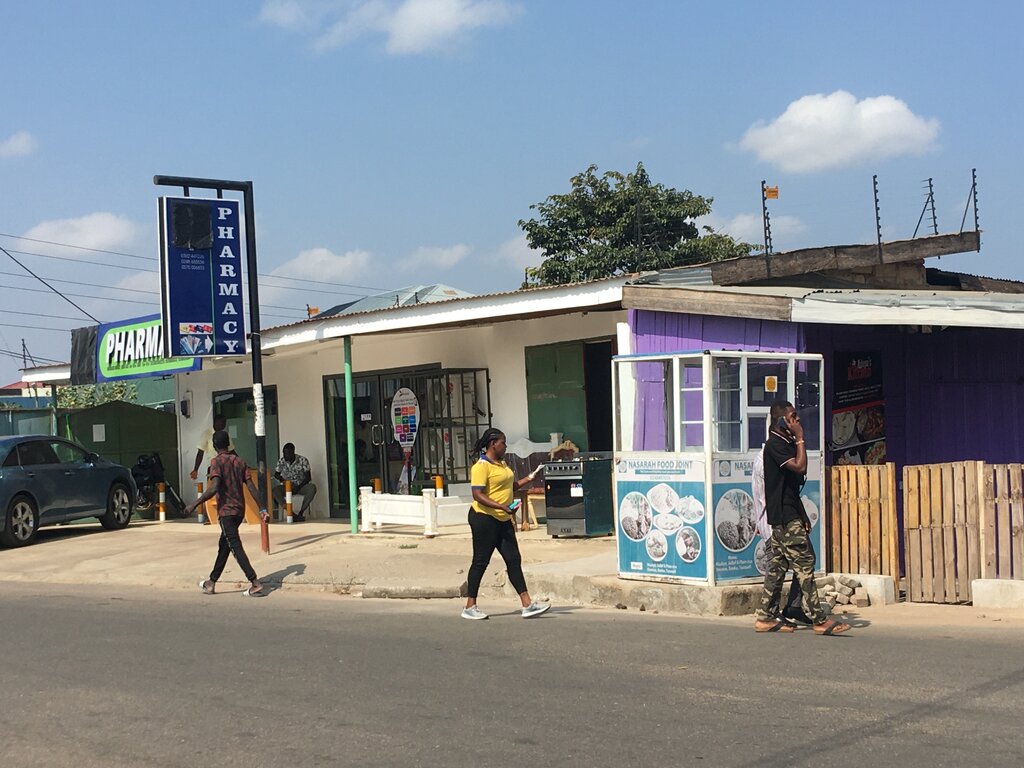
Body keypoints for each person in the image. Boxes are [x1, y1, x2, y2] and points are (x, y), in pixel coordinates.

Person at [753, 400, 850, 635]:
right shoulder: (776, 445)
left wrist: (803, 513)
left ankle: (765, 617)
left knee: (777, 567)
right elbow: (800, 467)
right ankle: (818, 619)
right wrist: (800, 437)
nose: (797, 421)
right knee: (805, 564)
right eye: (793, 417)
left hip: (788, 513)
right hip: (783, 517)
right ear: (781, 421)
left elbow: (790, 487)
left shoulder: (783, 443)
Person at [462, 428, 549, 620]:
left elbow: (510, 486)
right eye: (503, 442)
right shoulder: (481, 466)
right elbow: (478, 494)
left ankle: (527, 604)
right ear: (493, 443)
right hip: (484, 518)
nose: (505, 446)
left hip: (503, 518)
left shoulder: (501, 464)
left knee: (513, 559)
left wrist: (528, 479)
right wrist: (502, 506)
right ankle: (470, 606)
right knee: (480, 562)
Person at [187, 430, 268, 597]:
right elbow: (251, 487)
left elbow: (215, 486)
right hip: (239, 510)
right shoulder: (240, 461)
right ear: (229, 444)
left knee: (235, 546)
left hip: (227, 511)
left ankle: (255, 582)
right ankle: (211, 582)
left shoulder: (217, 462)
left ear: (215, 446)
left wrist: (195, 503)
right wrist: (262, 508)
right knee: (224, 546)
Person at [752, 447, 812, 625]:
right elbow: (774, 496)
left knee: (805, 559)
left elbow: (790, 491)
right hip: (776, 522)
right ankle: (769, 613)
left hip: (786, 520)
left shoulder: (779, 456)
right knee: (776, 567)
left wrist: (802, 515)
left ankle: (793, 606)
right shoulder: (769, 459)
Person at [272, 443, 317, 522]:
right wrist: (281, 479)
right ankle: (291, 513)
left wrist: (298, 487)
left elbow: (308, 477)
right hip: (287, 486)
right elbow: (276, 474)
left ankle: (301, 512)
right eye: (284, 453)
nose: (285, 455)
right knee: (275, 491)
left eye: (287, 453)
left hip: (301, 485)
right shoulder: (281, 461)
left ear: (293, 452)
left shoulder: (303, 460)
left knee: (312, 488)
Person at [190, 414, 234, 481]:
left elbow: (231, 451)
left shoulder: (226, 435)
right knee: (213, 487)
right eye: (221, 423)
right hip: (213, 466)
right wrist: (195, 469)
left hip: (225, 466)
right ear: (215, 422)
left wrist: (240, 462)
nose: (223, 425)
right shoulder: (207, 434)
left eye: (224, 423)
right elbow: (200, 453)